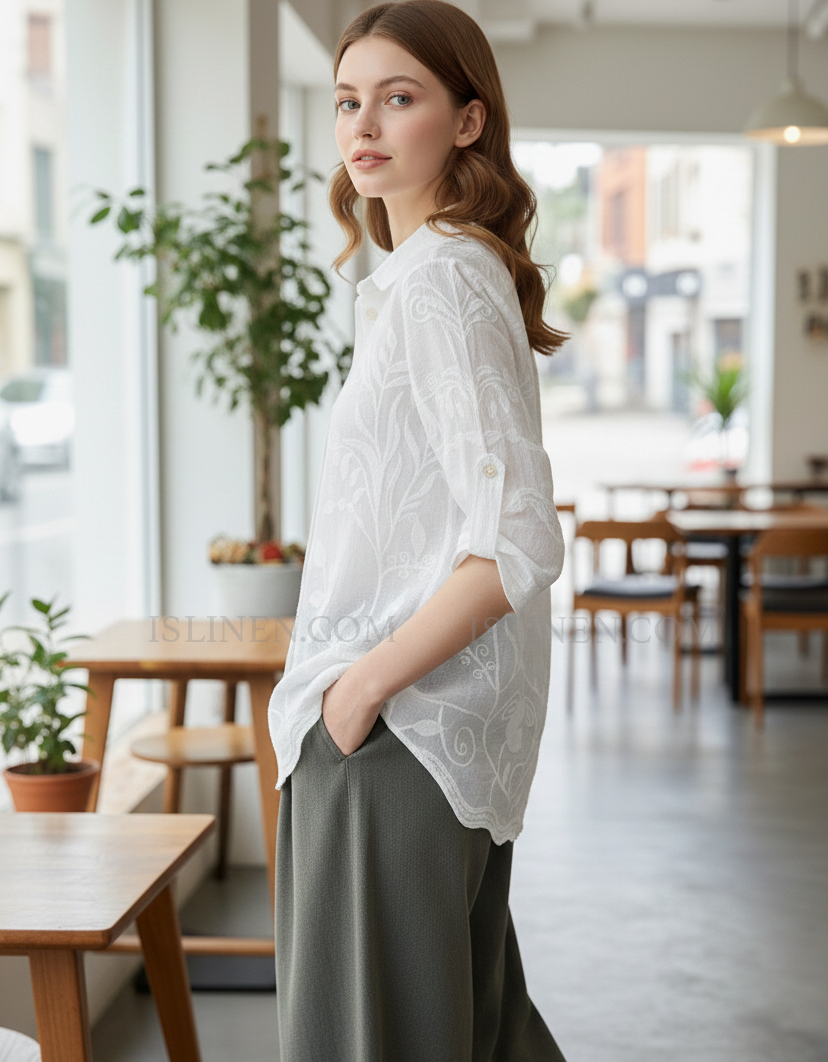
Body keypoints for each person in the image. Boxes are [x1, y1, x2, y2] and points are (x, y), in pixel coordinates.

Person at [267, 2, 568, 1059]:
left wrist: (357, 691)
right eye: (349, 100)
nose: (363, 124)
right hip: (426, 733)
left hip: (398, 731)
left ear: (468, 120)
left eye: (399, 98)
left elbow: (519, 536)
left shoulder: (442, 277)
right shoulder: (429, 276)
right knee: (473, 1034)